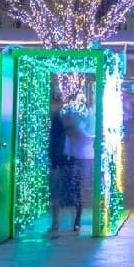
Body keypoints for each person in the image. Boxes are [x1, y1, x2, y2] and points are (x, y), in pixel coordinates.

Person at [61, 95, 95, 230]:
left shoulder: (79, 129)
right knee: (78, 190)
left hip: (81, 160)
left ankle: (77, 219)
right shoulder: (76, 130)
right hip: (79, 160)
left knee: (79, 189)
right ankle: (76, 219)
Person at [48, 98, 68, 233]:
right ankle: (56, 221)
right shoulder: (60, 121)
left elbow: (56, 143)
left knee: (55, 193)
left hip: (57, 162)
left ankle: (56, 222)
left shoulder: (57, 122)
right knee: (56, 194)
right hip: (58, 161)